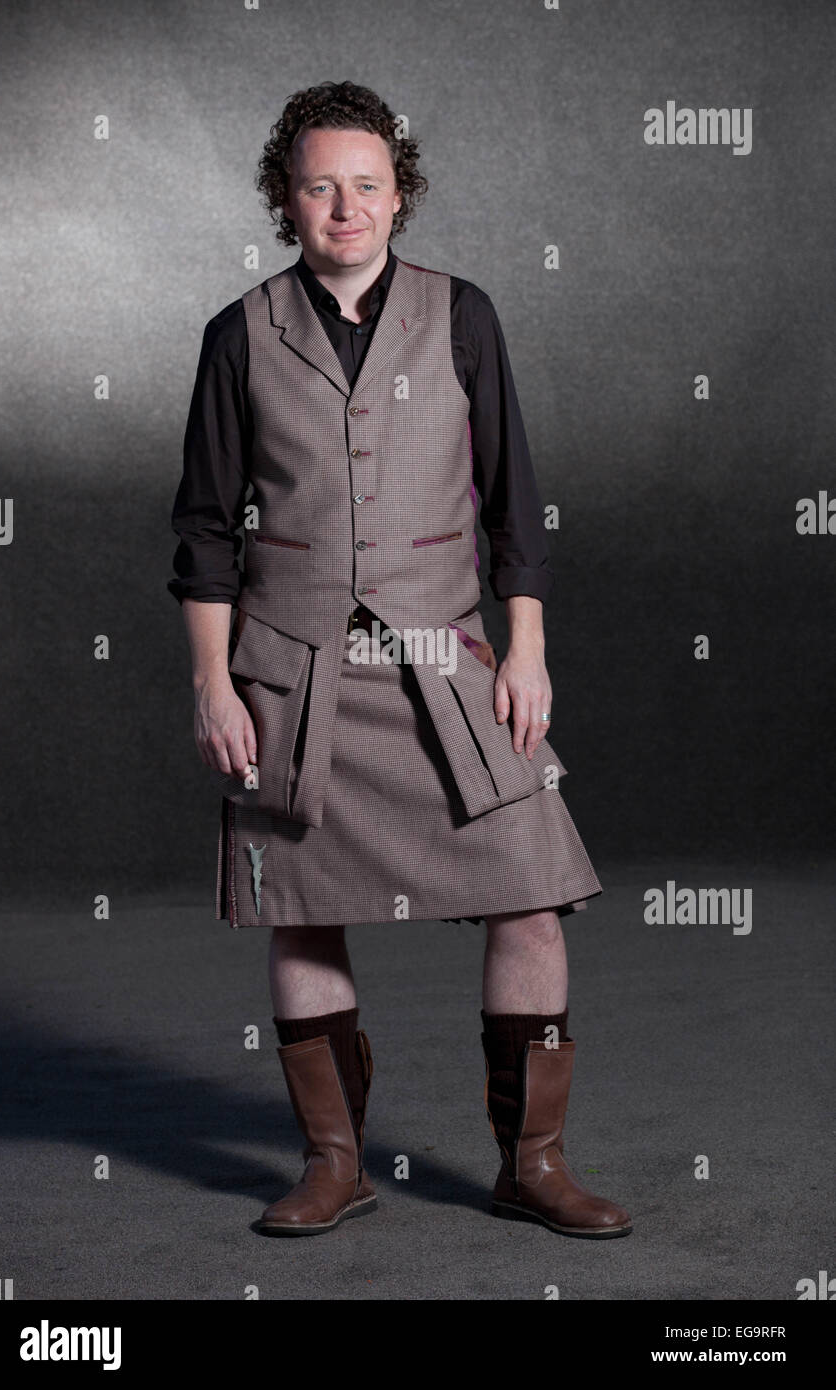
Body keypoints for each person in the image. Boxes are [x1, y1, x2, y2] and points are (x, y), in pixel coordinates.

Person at [168, 80, 632, 1241]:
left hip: (446, 661)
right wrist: (212, 682)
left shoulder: (461, 315)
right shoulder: (238, 334)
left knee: (531, 897)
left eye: (367, 185)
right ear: (286, 198)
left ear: (398, 194)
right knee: (302, 913)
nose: (346, 208)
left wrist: (524, 652)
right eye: (321, 186)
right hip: (296, 675)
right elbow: (204, 534)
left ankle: (531, 1165)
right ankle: (334, 1165)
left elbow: (513, 503)